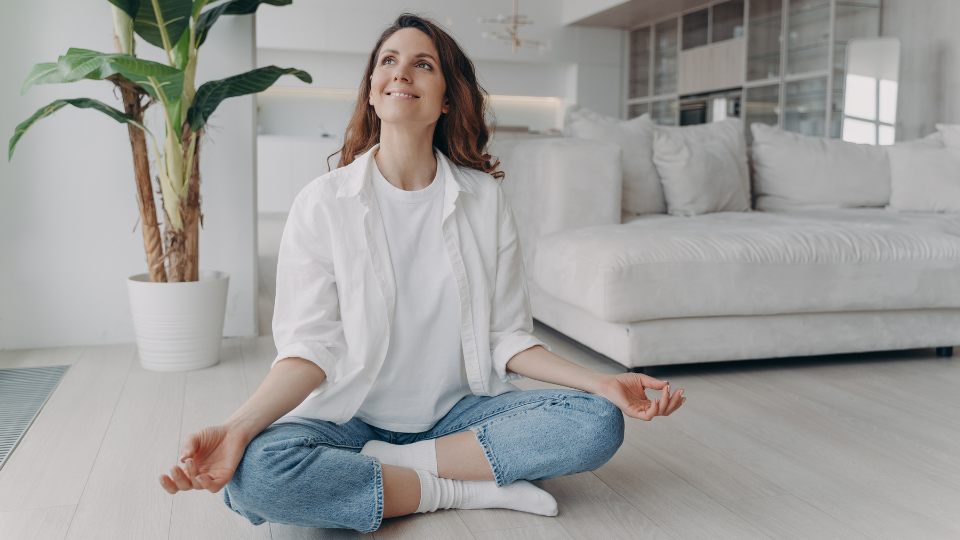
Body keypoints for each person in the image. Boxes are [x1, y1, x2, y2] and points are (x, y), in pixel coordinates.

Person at [157, 13, 685, 533]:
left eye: (423, 64)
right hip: (350, 420)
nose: (402, 72)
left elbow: (507, 338)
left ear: (448, 97)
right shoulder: (323, 203)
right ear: (371, 90)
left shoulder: (485, 200)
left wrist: (602, 382)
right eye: (388, 60)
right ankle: (460, 487)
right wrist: (236, 427)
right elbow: (309, 349)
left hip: (459, 414)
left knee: (596, 421)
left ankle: (393, 472)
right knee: (254, 477)